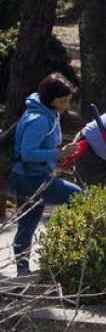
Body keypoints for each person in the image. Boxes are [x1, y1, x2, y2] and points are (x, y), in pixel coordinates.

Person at [9, 73, 82, 276]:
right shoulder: (39, 118)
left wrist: (59, 159)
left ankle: (22, 272)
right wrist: (58, 153)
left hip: (29, 177)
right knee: (77, 196)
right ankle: (73, 252)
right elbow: (28, 153)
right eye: (62, 101)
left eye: (69, 100)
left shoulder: (49, 112)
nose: (67, 105)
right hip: (30, 178)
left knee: (27, 224)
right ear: (49, 99)